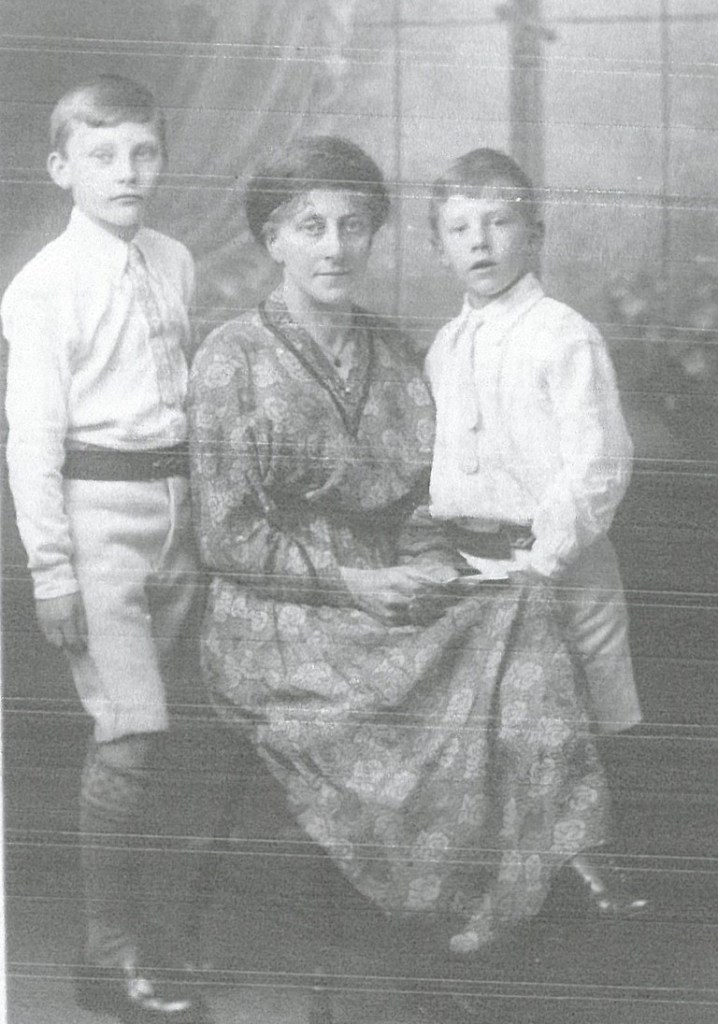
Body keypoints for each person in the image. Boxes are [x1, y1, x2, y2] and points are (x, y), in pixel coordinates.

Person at [188, 135, 617, 959]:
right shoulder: (229, 356)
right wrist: (352, 582)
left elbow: (427, 495)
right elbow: (227, 535)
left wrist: (424, 561)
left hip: (387, 581)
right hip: (277, 615)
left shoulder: (394, 349)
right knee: (431, 678)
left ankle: (527, 872)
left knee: (518, 604)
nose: (334, 246)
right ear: (272, 238)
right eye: (309, 226)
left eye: (353, 225)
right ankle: (458, 887)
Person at [2, 75, 207, 1022]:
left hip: (180, 512)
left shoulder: (175, 258)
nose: (127, 172)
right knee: (131, 732)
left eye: (144, 153)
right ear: (60, 168)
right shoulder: (43, 287)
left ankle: (140, 922)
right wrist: (51, 568)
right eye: (102, 154)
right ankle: (105, 952)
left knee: (159, 735)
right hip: (98, 522)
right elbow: (32, 438)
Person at [425, 147, 648, 909]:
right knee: (497, 730)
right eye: (459, 228)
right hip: (474, 568)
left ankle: (599, 882)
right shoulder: (444, 348)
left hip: (560, 564)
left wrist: (543, 558)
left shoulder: (563, 336)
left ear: (536, 234)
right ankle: (509, 890)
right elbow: (447, 470)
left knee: (581, 719)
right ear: (438, 245)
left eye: (499, 222)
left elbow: (598, 464)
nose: (479, 242)